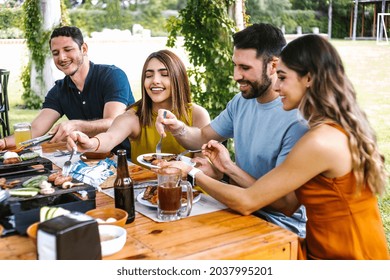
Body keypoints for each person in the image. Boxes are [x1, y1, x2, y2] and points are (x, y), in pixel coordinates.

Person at [161, 34, 390, 260]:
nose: (277, 87)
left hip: (350, 258)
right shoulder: (328, 130)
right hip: (321, 248)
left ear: (308, 78)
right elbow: (285, 202)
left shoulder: (319, 140)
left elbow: (248, 201)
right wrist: (226, 167)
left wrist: (191, 171)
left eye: (282, 77)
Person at [155, 23, 308, 237]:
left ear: (274, 65)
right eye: (235, 65)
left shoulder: (296, 120)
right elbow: (201, 137)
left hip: (279, 225)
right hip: (238, 207)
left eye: (245, 68)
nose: (236, 75)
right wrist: (177, 127)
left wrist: (225, 170)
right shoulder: (241, 102)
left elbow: (284, 204)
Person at [0, 26, 134, 153]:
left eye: (68, 49)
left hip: (127, 158)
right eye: (56, 53)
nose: (62, 57)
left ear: (84, 49)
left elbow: (113, 121)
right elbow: (36, 129)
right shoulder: (59, 90)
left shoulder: (112, 76)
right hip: (87, 159)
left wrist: (76, 125)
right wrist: (4, 143)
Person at [66, 49, 210, 163]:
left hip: (191, 193)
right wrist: (90, 144)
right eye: (149, 75)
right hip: (145, 193)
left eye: (164, 74)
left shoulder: (198, 114)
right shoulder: (134, 116)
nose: (155, 81)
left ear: (178, 79)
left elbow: (204, 163)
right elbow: (109, 138)